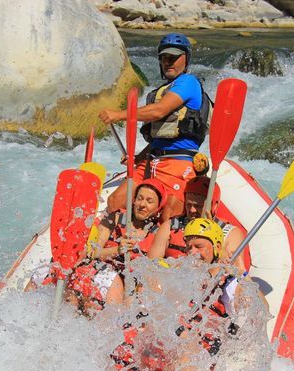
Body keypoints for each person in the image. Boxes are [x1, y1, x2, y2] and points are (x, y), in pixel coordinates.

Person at [111, 218, 259, 371]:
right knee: (129, 340)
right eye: (189, 247)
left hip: (202, 348)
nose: (192, 252)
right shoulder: (179, 270)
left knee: (184, 346)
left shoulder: (229, 281)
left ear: (216, 247)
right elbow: (152, 296)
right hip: (171, 338)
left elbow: (256, 305)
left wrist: (241, 272)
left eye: (199, 246)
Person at [99, 33, 211, 220]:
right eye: (165, 58)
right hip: (152, 161)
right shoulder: (162, 90)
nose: (169, 62)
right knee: (115, 202)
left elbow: (159, 111)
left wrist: (119, 115)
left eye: (175, 58)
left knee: (170, 214)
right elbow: (160, 138)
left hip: (180, 162)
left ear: (186, 59)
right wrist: (138, 158)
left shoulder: (188, 83)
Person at [66, 178, 167, 313]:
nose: (142, 204)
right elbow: (93, 252)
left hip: (128, 288)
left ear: (158, 207)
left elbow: (152, 271)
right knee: (81, 277)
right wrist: (117, 249)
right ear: (134, 200)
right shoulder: (115, 218)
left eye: (149, 201)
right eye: (140, 198)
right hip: (102, 274)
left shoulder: (159, 233)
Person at [148, 176, 248, 273]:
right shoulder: (170, 226)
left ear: (214, 206)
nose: (192, 210)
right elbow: (151, 265)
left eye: (198, 206)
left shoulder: (231, 233)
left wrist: (211, 233)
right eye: (188, 204)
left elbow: (229, 270)